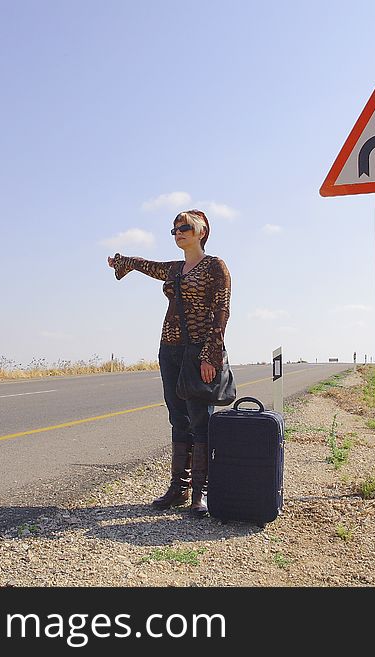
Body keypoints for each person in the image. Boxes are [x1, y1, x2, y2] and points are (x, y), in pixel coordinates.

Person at [107, 210, 231, 518]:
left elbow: (222, 312)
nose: (178, 232)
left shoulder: (215, 267)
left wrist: (209, 356)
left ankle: (201, 493)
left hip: (198, 351)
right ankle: (179, 487)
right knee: (178, 418)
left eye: (185, 227)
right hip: (170, 350)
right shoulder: (175, 269)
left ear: (202, 231)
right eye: (174, 229)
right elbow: (146, 265)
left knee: (200, 419)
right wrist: (124, 262)